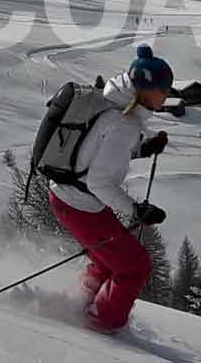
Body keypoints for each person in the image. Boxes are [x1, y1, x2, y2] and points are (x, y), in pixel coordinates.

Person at [48, 45, 171, 333]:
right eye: (162, 89)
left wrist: (142, 149)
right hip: (79, 203)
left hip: (70, 196)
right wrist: (137, 210)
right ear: (144, 89)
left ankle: (80, 304)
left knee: (109, 260)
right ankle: (100, 326)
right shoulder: (123, 124)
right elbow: (99, 181)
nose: (166, 96)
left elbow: (95, 153)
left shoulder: (111, 105)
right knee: (135, 266)